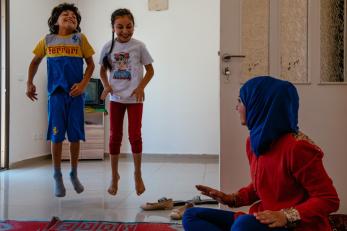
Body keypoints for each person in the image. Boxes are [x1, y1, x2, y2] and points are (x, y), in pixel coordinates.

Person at [182, 76, 340, 231]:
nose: (236, 107)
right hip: (262, 219)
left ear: (258, 105)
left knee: (243, 225)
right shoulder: (252, 142)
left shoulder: (298, 148)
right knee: (191, 215)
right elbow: (261, 187)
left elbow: (328, 199)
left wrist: (285, 216)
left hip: (295, 226)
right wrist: (231, 198)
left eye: (240, 101)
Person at [26, 3, 95, 197]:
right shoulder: (48, 40)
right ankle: (57, 174)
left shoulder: (80, 39)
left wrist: (82, 85)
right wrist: (29, 83)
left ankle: (73, 172)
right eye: (65, 14)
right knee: (56, 136)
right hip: (56, 96)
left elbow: (90, 66)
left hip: (75, 96)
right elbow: (34, 62)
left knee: (75, 136)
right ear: (55, 20)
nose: (70, 17)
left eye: (74, 16)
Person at [99, 8, 154, 196]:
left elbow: (150, 71)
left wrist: (141, 87)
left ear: (133, 27)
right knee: (115, 137)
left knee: (135, 136)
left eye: (129, 26)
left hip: (135, 99)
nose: (125, 30)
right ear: (113, 28)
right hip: (116, 98)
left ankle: (137, 174)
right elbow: (101, 72)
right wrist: (106, 86)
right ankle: (114, 176)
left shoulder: (139, 46)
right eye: (120, 27)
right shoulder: (108, 47)